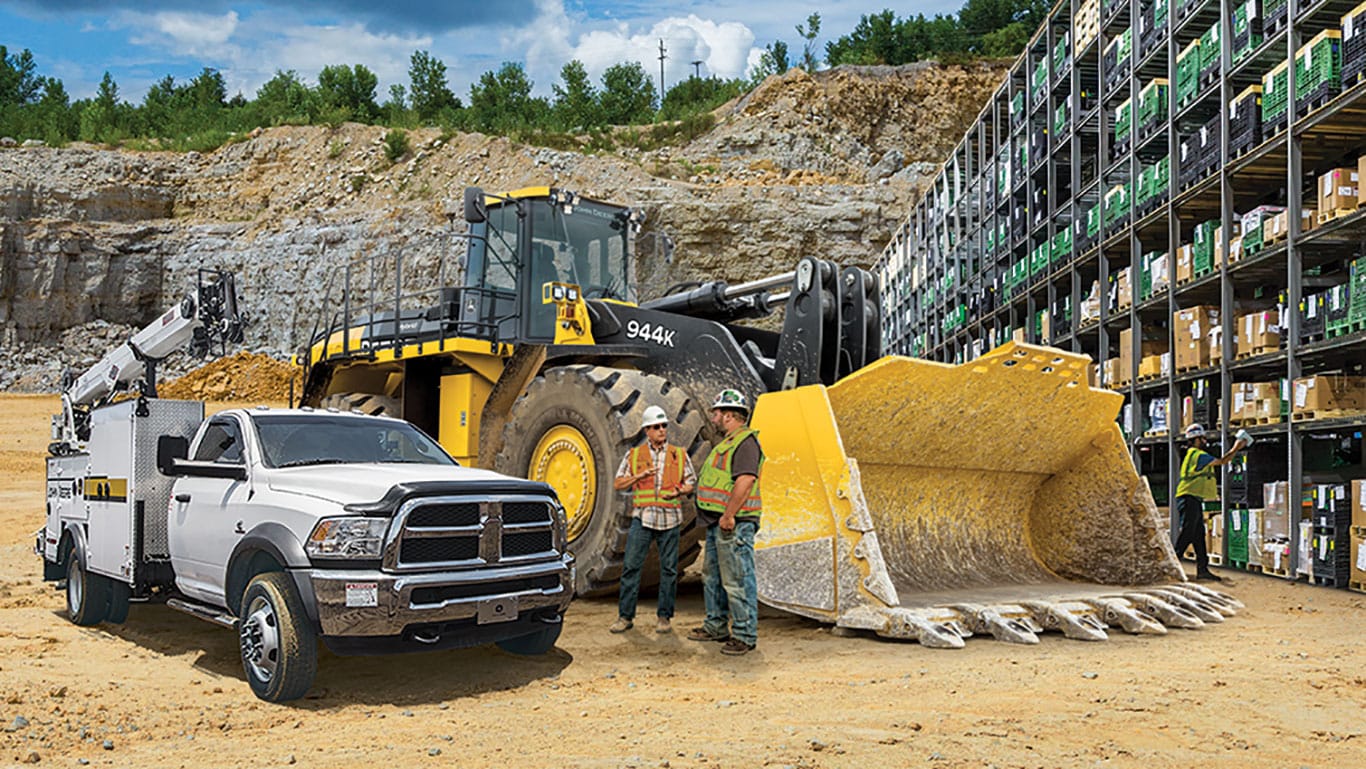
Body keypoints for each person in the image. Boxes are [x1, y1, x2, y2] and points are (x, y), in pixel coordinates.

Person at [687, 389, 763, 656]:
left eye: (717, 412)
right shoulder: (728, 443)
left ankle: (744, 634)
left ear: (729, 415)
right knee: (714, 577)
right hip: (718, 522)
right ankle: (716, 625)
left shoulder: (745, 443)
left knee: (738, 579)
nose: (714, 416)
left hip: (735, 523)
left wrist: (729, 515)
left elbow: (745, 481)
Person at [609, 405, 696, 634]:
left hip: (670, 519)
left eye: (664, 426)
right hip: (643, 518)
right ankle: (625, 616)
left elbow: (691, 482)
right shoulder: (635, 455)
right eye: (656, 427)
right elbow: (618, 483)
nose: (661, 430)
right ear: (647, 430)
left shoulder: (679, 454)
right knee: (631, 567)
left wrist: (679, 491)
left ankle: (664, 617)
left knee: (669, 570)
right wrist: (638, 476)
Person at [1174, 423, 1248, 582]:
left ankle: (1203, 569)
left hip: (1192, 498)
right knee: (1188, 532)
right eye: (1202, 438)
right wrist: (1236, 447)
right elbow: (1223, 461)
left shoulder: (1192, 454)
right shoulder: (1198, 455)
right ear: (1197, 439)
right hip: (1188, 497)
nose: (1205, 440)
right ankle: (1171, 565)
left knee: (1198, 534)